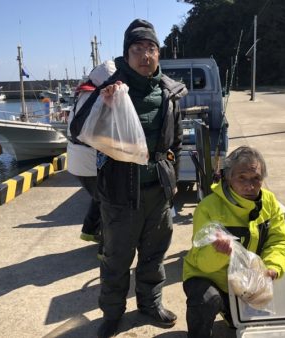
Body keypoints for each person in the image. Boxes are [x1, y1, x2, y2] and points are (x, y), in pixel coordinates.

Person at [95, 19, 188, 338]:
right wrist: (103, 104)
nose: (145, 55)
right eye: (138, 49)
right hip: (120, 192)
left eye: (151, 48)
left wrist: (172, 178)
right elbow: (81, 132)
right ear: (126, 54)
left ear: (158, 54)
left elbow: (176, 141)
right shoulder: (109, 87)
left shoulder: (170, 92)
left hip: (157, 191)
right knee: (116, 259)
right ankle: (112, 313)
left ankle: (150, 304)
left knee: (154, 254)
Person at [182, 146, 285, 338]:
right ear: (228, 178)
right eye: (242, 178)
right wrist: (218, 251)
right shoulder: (208, 207)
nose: (250, 186)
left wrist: (272, 268)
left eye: (256, 178)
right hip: (208, 275)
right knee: (207, 300)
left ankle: (231, 311)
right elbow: (202, 262)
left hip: (246, 280)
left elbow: (279, 241)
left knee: (245, 320)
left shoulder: (270, 202)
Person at [66, 60, 116, 250]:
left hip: (78, 159)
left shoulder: (85, 94)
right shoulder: (97, 97)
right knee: (109, 205)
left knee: (99, 197)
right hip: (89, 161)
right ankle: (107, 250)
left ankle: (89, 230)